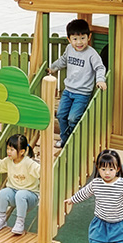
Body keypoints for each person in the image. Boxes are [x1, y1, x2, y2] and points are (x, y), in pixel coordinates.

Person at [48, 18, 107, 148]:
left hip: (82, 93)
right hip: (68, 91)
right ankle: (65, 140)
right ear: (69, 39)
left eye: (82, 38)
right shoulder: (69, 49)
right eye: (75, 39)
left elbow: (100, 67)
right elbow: (63, 61)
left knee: (73, 118)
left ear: (89, 37)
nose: (79, 42)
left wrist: (100, 80)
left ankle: (74, 140)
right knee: (61, 115)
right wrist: (52, 68)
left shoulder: (91, 54)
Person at [0, 133, 40, 235]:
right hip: (15, 194)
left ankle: (20, 222)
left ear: (22, 152)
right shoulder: (8, 161)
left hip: (30, 196)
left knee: (21, 194)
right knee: (3, 193)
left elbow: (40, 171)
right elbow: (0, 165)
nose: (8, 152)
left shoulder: (29, 163)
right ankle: (1, 219)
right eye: (8, 149)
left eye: (12, 150)